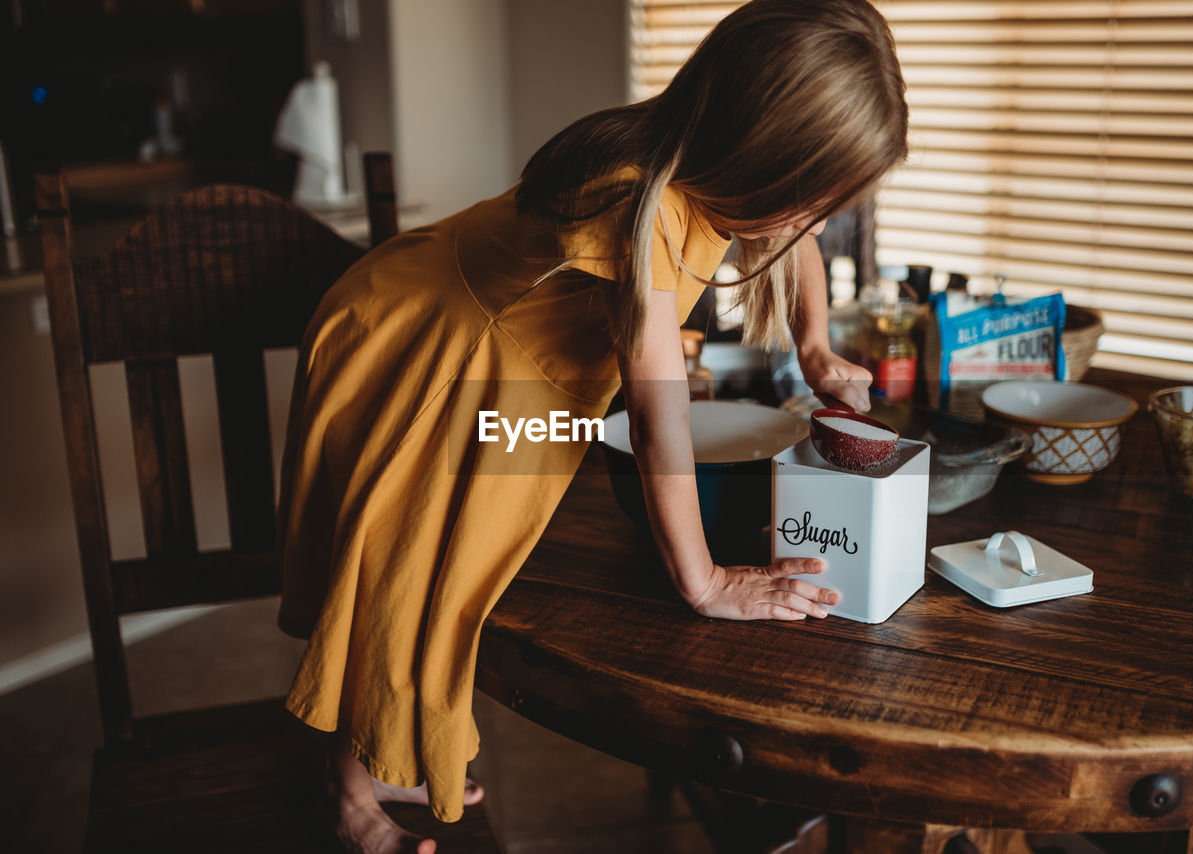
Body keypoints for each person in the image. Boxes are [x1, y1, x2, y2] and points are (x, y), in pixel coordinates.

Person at [274, 0, 908, 851]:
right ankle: (353, 784)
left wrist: (819, 349)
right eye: (807, 200)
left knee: (449, 573)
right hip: (436, 347)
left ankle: (390, 750)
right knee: (410, 565)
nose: (816, 227)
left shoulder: (715, 165)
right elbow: (657, 413)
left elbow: (795, 242)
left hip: (517, 364)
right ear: (757, 158)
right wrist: (708, 583)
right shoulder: (637, 203)